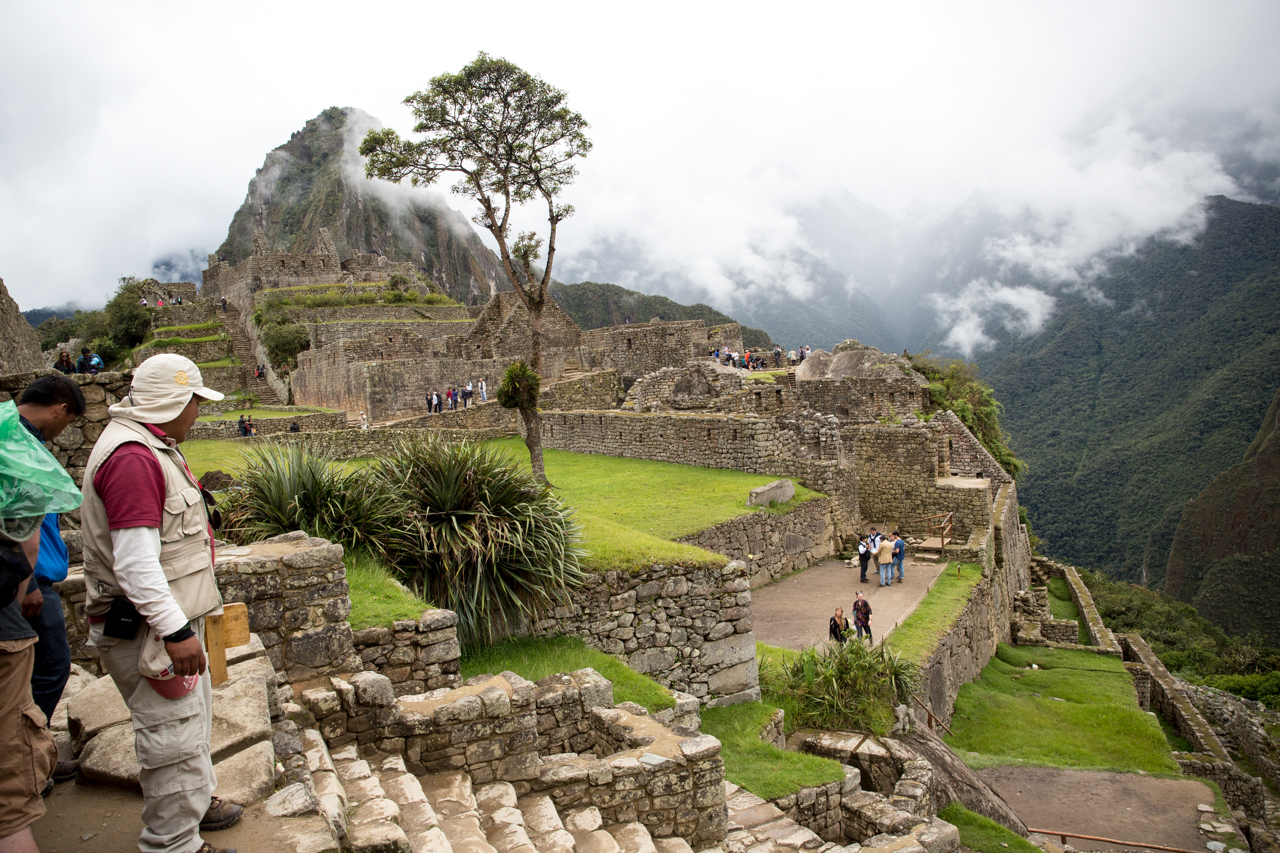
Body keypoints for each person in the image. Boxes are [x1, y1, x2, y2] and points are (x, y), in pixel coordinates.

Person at [78, 353, 242, 853]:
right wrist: (175, 631)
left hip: (163, 624)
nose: (198, 413)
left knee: (189, 726)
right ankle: (172, 844)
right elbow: (135, 563)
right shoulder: (133, 459)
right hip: (151, 633)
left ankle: (195, 808)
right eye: (195, 402)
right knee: (172, 739)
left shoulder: (149, 446)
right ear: (176, 400)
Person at [17, 376, 86, 790]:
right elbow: (20, 522)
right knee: (51, 667)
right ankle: (27, 765)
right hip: (29, 583)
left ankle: (31, 755)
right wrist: (27, 584)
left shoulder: (11, 435)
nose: (65, 431)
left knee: (26, 673)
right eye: (70, 420)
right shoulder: (21, 447)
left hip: (28, 579)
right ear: (60, 409)